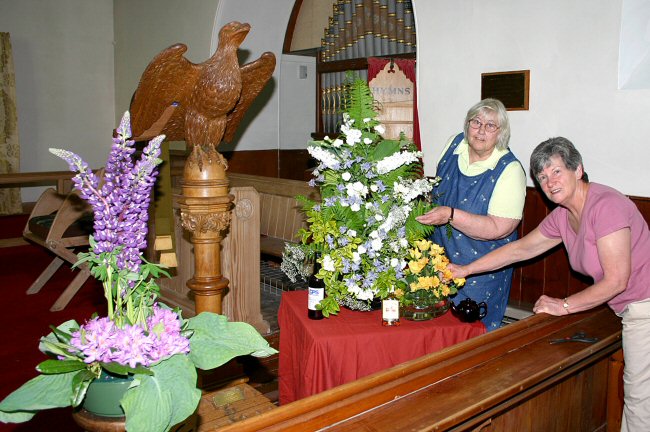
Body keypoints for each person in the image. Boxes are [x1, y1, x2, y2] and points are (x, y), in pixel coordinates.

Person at [448, 137, 650, 431]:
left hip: (645, 307)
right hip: (630, 307)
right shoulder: (564, 216)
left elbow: (617, 280)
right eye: (542, 177)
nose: (549, 181)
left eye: (556, 171)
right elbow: (521, 249)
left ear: (577, 169)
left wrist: (564, 305)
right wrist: (466, 269)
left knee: (639, 398)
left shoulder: (606, 205)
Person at [416, 98, 526, 331]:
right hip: (439, 259)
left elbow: (499, 228)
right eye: (476, 122)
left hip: (480, 269)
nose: (481, 130)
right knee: (436, 331)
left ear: (501, 133)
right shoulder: (454, 145)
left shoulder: (509, 170)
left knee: (472, 334)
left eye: (490, 125)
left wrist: (450, 215)